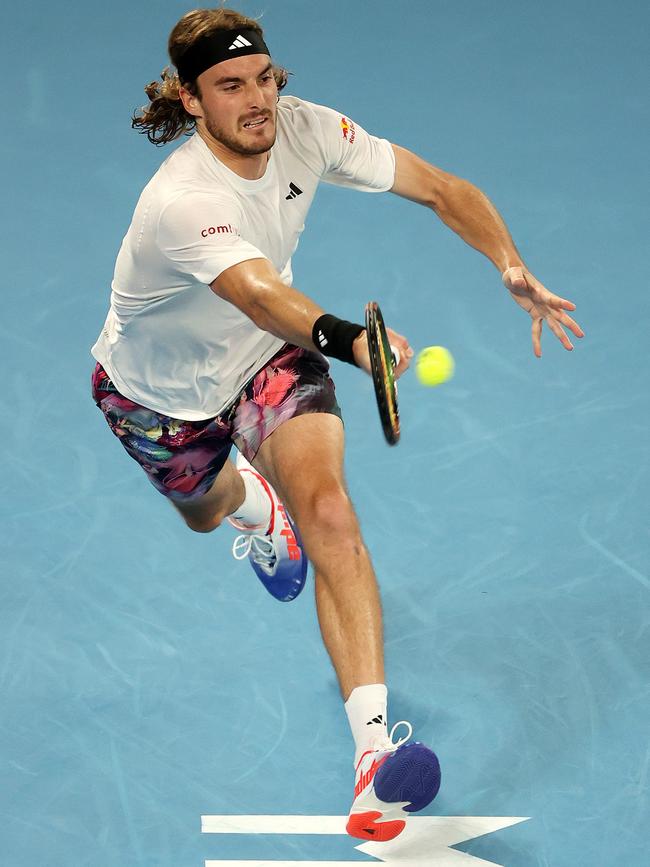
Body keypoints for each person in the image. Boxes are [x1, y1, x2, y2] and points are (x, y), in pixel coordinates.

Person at [90, 6, 584, 842]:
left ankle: (371, 764)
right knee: (205, 506)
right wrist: (354, 341)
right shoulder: (180, 199)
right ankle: (252, 510)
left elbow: (441, 187)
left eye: (266, 77)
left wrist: (508, 261)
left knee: (332, 515)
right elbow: (253, 288)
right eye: (230, 86)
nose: (257, 100)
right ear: (190, 98)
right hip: (156, 398)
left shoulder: (307, 131)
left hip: (269, 358)